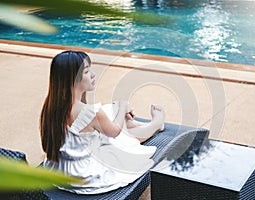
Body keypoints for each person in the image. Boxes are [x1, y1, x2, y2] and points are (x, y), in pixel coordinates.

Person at [40, 50, 165, 194]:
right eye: (86, 72)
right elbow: (114, 132)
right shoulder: (90, 112)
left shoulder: (51, 106)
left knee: (110, 110)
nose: (93, 75)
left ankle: (139, 124)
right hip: (83, 175)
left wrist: (118, 110)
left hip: (59, 170)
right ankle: (155, 124)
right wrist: (123, 107)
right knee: (122, 139)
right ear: (72, 79)